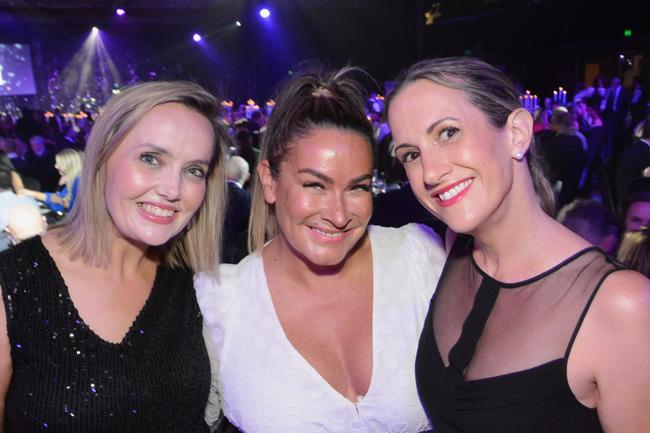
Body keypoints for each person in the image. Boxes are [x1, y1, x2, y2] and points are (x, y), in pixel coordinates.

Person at [387, 57, 650, 433]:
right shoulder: (455, 250)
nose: (429, 172)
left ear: (517, 134)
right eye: (411, 155)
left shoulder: (622, 306)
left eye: (447, 133)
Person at [195, 67, 446, 432]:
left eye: (357, 188)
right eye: (315, 184)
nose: (339, 214)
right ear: (268, 181)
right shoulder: (222, 301)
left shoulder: (420, 257)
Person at [0, 81, 228, 433]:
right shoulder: (13, 285)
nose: (172, 190)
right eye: (151, 159)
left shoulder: (200, 288)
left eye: (193, 170)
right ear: (103, 157)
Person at [18, 148, 83, 214]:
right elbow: (55, 198)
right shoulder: (69, 178)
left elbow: (74, 207)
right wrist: (31, 193)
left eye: (59, 163)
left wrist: (59, 200)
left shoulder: (78, 182)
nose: (55, 166)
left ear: (68, 165)